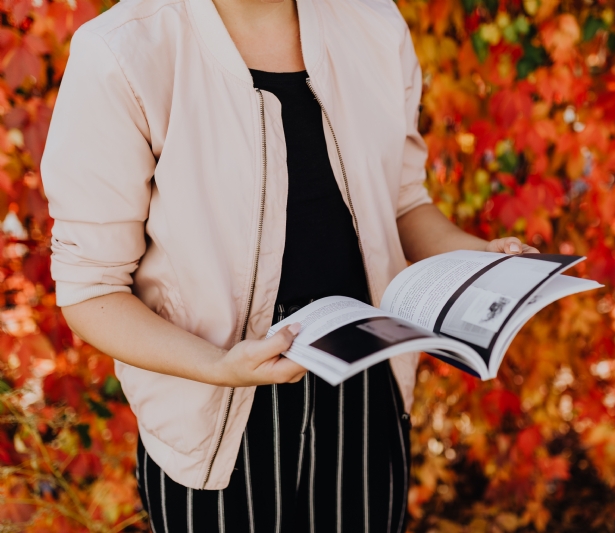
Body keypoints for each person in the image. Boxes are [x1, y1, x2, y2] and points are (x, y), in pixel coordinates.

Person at [41, 0, 537, 530]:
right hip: (216, 407)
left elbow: (403, 203)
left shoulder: (374, 23)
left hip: (365, 387)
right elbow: (92, 291)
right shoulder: (123, 51)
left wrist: (475, 256)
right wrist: (217, 367)